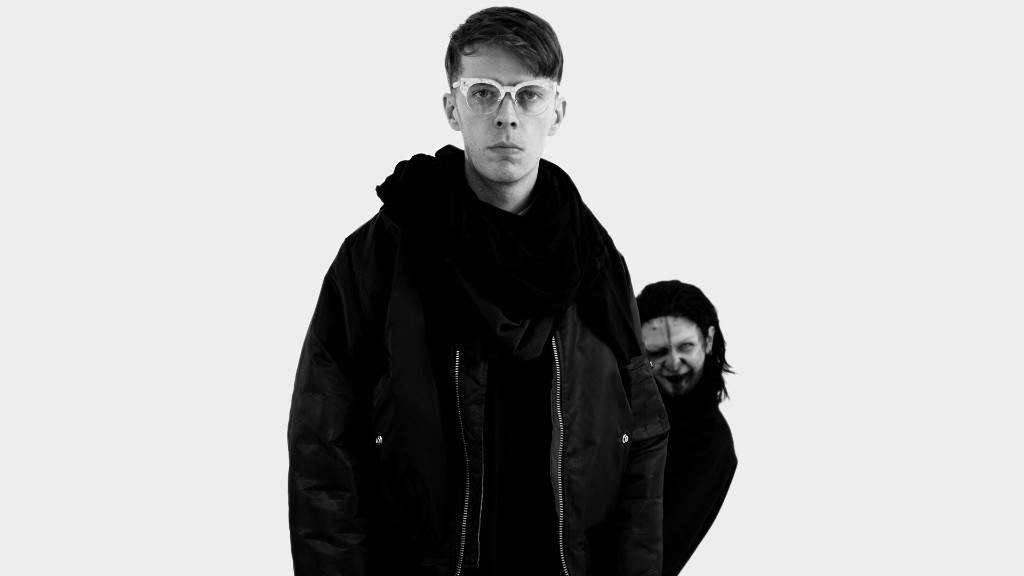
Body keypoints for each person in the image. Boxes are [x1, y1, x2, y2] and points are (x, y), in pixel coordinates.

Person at [287, 7, 670, 576]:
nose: (507, 116)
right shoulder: (383, 255)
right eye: (484, 93)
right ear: (452, 108)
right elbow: (323, 446)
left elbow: (642, 434)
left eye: (529, 95)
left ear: (557, 112)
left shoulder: (594, 259)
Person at [636, 281, 737, 575]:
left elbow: (650, 555)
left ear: (708, 340)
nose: (673, 362)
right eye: (657, 352)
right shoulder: (629, 409)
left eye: (685, 347)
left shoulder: (708, 442)